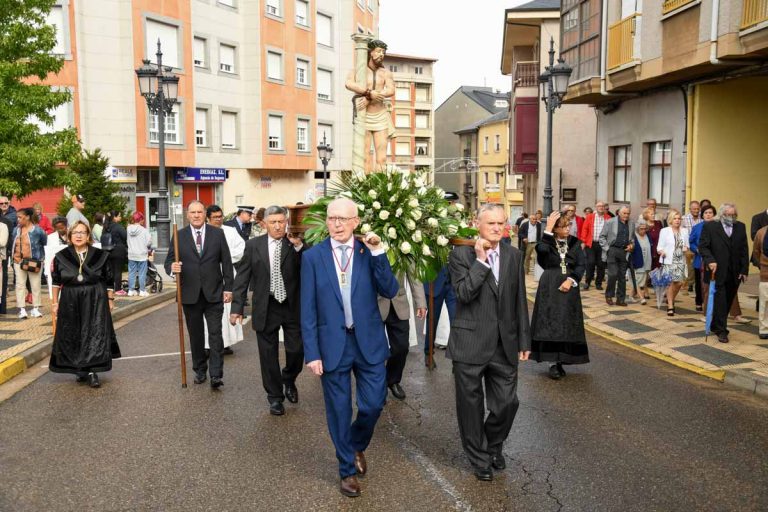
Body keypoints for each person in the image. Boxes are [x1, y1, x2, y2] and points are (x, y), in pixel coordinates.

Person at [300, 197, 398, 497]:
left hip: (368, 342)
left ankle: (355, 444)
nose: (337, 224)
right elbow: (307, 308)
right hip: (332, 345)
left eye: (343, 219)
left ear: (356, 222)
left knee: (373, 404)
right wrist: (312, 353)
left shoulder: (369, 252)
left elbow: (390, 289)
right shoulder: (313, 257)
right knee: (339, 410)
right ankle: (346, 470)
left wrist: (378, 252)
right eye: (332, 218)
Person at [448, 203, 530, 482]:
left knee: (508, 403)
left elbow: (519, 298)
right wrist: (481, 261)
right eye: (491, 223)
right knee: (470, 408)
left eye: (501, 223)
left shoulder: (513, 255)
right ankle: (480, 459)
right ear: (476, 225)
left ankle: (493, 446)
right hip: (469, 343)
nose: (497, 228)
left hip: (504, 344)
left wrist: (524, 339)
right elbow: (463, 293)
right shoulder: (460, 254)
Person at [231, 205, 304, 416]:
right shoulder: (253, 245)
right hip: (266, 305)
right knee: (268, 355)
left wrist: (299, 246)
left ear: (286, 222)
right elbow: (242, 277)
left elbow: (308, 265)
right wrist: (237, 308)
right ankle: (275, 397)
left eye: (281, 221)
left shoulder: (295, 243)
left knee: (296, 350)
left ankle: (289, 378)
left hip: (292, 306)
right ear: (264, 224)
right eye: (273, 222)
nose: (278, 226)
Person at [165, 200, 234, 388]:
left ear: (205, 214)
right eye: (193, 212)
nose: (196, 215)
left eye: (200, 212)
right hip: (189, 294)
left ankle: (216, 374)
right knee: (196, 336)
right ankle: (200, 370)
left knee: (215, 334)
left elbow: (226, 262)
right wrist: (172, 268)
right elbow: (169, 261)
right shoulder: (179, 235)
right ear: (187, 215)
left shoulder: (217, 234)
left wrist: (228, 288)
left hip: (214, 293)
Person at [49, 221, 120, 388]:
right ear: (70, 236)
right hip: (70, 299)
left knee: (94, 332)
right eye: (75, 232)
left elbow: (109, 279)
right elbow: (56, 281)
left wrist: (110, 299)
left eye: (82, 232)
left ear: (88, 236)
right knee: (74, 332)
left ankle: (92, 371)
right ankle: (79, 368)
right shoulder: (61, 256)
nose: (79, 236)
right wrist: (54, 303)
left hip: (95, 299)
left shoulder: (100, 255)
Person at [530, 211, 588, 379]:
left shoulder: (574, 242)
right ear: (555, 229)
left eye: (568, 225)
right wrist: (547, 228)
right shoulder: (547, 242)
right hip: (549, 285)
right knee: (550, 321)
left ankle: (562, 359)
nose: (567, 229)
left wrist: (571, 280)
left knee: (566, 321)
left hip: (569, 286)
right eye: (563, 226)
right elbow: (542, 251)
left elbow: (581, 264)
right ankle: (552, 363)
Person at [698, 203, 749, 343]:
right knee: (720, 301)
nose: (731, 217)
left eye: (734, 215)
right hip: (717, 271)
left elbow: (744, 249)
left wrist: (744, 270)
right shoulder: (710, 226)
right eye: (728, 215)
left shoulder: (740, 226)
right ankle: (722, 331)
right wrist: (710, 261)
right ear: (721, 215)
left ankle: (716, 324)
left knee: (727, 301)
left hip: (734, 272)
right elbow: (703, 247)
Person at [345, 40, 395, 171]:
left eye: (383, 52)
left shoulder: (385, 73)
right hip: (364, 116)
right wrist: (368, 93)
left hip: (380, 116)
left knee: (382, 158)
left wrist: (373, 95)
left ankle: (381, 182)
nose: (381, 54)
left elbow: (391, 90)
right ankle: (365, 183)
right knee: (365, 156)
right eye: (378, 51)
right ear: (371, 52)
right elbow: (348, 83)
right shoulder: (359, 70)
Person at [205, 205, 245, 356]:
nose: (218, 219)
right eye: (215, 217)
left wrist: (225, 256)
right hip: (210, 276)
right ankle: (208, 345)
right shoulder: (204, 232)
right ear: (208, 218)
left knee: (227, 310)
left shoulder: (230, 231)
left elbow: (242, 248)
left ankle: (226, 343)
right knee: (210, 312)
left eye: (220, 216)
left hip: (227, 273)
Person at [380, 272, 426, 400]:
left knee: (402, 346)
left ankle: (392, 379)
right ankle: (377, 386)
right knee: (376, 351)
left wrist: (421, 302)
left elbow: (414, 274)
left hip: (399, 302)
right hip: (375, 303)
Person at [11, 208, 46, 318]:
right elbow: (13, 244)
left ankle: (36, 308)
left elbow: (44, 243)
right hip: (18, 261)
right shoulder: (16, 230)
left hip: (34, 261)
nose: (18, 219)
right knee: (20, 285)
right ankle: (22, 309)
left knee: (35, 285)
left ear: (27, 217)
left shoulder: (38, 231)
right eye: (17, 217)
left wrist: (42, 258)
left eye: (20, 217)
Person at [599, 206, 634, 306]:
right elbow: (602, 237)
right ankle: (609, 295)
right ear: (619, 213)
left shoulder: (631, 223)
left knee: (622, 276)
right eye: (624, 213)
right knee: (613, 274)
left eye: (628, 213)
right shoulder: (610, 222)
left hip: (624, 252)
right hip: (612, 250)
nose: (626, 215)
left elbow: (632, 239)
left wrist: (631, 245)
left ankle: (620, 299)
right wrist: (607, 249)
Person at [657, 210, 689, 316]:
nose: (677, 220)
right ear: (670, 220)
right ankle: (670, 305)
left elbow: (687, 245)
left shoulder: (684, 231)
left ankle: (671, 298)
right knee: (670, 283)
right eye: (675, 218)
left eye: (679, 218)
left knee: (679, 283)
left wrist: (686, 248)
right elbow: (659, 247)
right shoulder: (664, 231)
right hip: (668, 260)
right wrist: (662, 252)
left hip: (680, 260)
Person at [422, 267, 456, 368]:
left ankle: (457, 359)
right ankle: (428, 353)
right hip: (435, 282)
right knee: (432, 320)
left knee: (457, 321)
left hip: (454, 283)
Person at [689, 205, 716, 313]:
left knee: (711, 282)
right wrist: (696, 249)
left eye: (710, 213)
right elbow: (690, 242)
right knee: (699, 283)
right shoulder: (697, 227)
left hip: (714, 260)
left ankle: (710, 303)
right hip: (699, 259)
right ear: (702, 215)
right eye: (706, 213)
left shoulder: (718, 227)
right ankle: (699, 302)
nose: (708, 215)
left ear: (714, 214)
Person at [579, 201, 611, 290]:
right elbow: (585, 229)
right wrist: (583, 241)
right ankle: (587, 282)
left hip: (603, 245)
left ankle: (598, 283)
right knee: (590, 263)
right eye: (599, 206)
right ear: (596, 207)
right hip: (591, 244)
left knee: (601, 264)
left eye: (602, 206)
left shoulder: (608, 218)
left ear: (604, 208)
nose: (601, 207)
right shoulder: (590, 217)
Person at [126, 211, 153, 297]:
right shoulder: (144, 230)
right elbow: (149, 242)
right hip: (141, 254)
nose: (143, 221)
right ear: (140, 219)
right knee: (142, 273)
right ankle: (142, 290)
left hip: (131, 254)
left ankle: (131, 290)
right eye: (143, 219)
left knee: (131, 273)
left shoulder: (128, 229)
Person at [103, 211, 128, 296]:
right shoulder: (118, 227)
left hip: (107, 251)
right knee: (118, 270)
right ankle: (118, 289)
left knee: (110, 271)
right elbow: (125, 236)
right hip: (118, 250)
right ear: (114, 217)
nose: (120, 217)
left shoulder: (106, 227)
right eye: (119, 216)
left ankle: (110, 288)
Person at [682, 201, 702, 292]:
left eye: (698, 209)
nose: (696, 210)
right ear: (690, 209)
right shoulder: (684, 218)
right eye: (694, 209)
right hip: (688, 246)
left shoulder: (702, 218)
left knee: (697, 265)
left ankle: (695, 284)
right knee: (689, 266)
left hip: (699, 246)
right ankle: (689, 284)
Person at [631, 221, 652, 305]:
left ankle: (631, 295)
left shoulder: (648, 236)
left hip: (647, 261)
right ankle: (642, 298)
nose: (643, 230)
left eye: (645, 229)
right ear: (637, 229)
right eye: (641, 229)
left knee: (643, 280)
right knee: (640, 280)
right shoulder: (634, 237)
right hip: (638, 261)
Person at [753, 224, 768, 340]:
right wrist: (762, 265)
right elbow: (756, 252)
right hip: (766, 273)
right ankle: (764, 329)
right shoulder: (761, 232)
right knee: (764, 303)